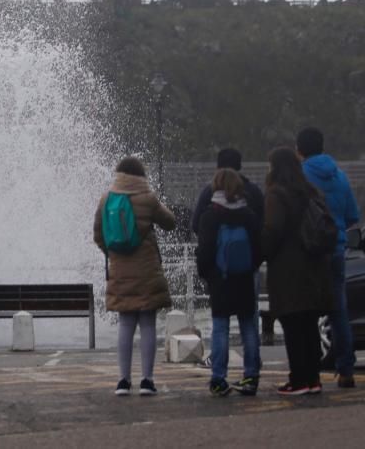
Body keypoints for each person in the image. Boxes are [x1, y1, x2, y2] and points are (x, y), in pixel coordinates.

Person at [93, 156, 176, 396]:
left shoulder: (106, 199)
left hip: (119, 270)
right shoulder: (148, 199)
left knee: (126, 323)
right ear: (141, 175)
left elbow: (98, 235)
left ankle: (123, 380)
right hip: (147, 270)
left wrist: (114, 254)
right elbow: (170, 222)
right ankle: (147, 381)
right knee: (148, 323)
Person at [262, 146, 332, 395]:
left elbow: (272, 231)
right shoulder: (310, 192)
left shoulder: (276, 194)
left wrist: (259, 253)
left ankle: (299, 380)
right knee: (309, 325)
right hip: (313, 269)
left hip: (287, 271)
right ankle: (313, 379)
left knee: (292, 325)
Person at [297, 127, 360, 388]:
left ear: (300, 150)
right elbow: (352, 217)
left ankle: (310, 372)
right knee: (339, 312)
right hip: (337, 250)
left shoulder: (300, 176)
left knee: (308, 312)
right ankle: (346, 370)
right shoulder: (340, 177)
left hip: (310, 252)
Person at [196, 169, 262, 396]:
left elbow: (204, 252)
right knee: (248, 327)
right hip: (244, 278)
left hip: (220, 280)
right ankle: (251, 376)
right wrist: (249, 268)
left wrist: (208, 274)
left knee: (220, 328)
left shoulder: (210, 216)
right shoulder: (249, 215)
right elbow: (259, 249)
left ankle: (218, 379)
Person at [190, 148, 265, 234]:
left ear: (218, 168)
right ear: (239, 166)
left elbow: (196, 225)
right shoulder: (254, 191)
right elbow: (262, 222)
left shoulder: (209, 192)